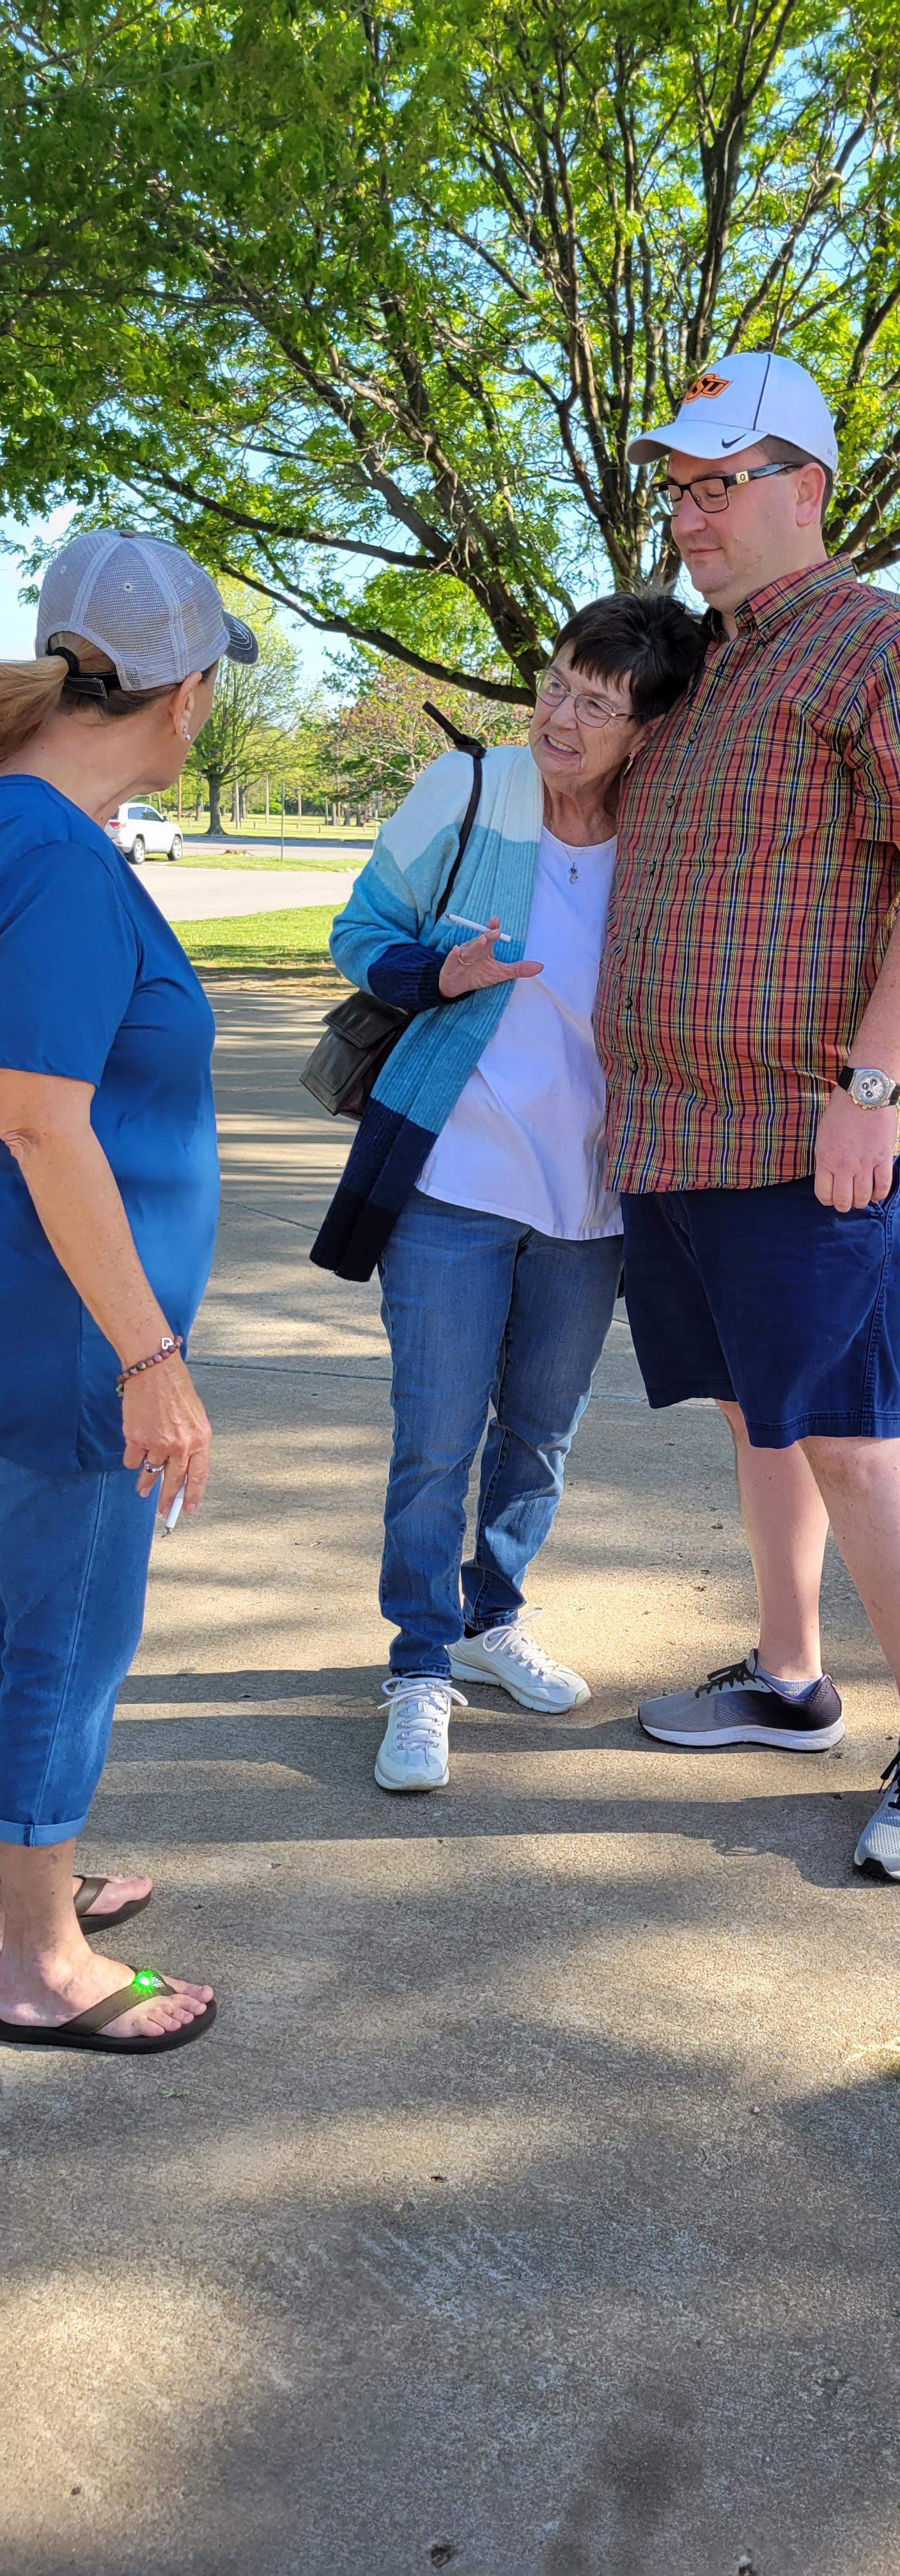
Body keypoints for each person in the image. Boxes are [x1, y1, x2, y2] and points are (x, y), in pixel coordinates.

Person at [594, 351, 900, 1882]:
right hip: (678, 1133)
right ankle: (785, 1680)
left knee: (844, 1430)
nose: (693, 513)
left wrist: (872, 1084)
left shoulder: (887, 648)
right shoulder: (704, 663)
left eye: (723, 482)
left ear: (805, 487)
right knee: (754, 1415)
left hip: (819, 1131)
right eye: (680, 488)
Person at [311, 594, 703, 1796]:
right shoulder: (472, 789)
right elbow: (357, 930)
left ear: (651, 726)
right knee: (436, 1440)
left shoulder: (665, 827)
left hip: (593, 1196)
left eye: (599, 701)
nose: (562, 717)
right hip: (454, 1174)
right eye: (556, 685)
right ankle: (419, 1664)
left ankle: (492, 1617)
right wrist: (439, 970)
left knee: (539, 1433)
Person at [0, 528, 258, 2053]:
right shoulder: (56, 855)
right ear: (185, 697)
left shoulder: (27, 834)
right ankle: (32, 1963)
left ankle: (23, 1885)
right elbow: (38, 1115)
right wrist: (149, 1356)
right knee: (66, 1637)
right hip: (65, 1341)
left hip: (38, 1317)